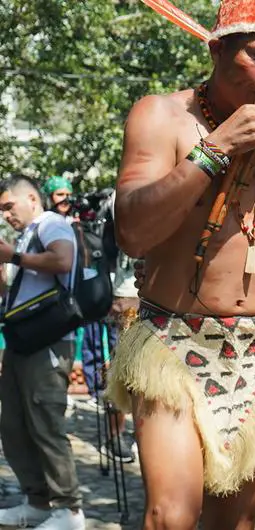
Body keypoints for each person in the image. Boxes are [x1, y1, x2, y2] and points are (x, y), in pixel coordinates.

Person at [109, 1, 255, 528]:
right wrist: (216, 148)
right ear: (217, 49)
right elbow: (133, 233)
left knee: (235, 521)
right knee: (171, 514)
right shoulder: (161, 115)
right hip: (171, 345)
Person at [0, 175, 85, 529]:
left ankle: (68, 510)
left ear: (32, 199)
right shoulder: (26, 236)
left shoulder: (51, 224)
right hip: (23, 340)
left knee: (45, 423)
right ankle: (36, 501)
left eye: (8, 206)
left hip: (48, 342)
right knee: (14, 425)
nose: (5, 215)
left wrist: (14, 256)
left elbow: (63, 261)